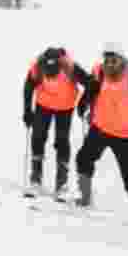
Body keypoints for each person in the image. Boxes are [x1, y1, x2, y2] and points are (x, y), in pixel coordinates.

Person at [73, 43, 128, 216]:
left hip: (126, 134)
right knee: (83, 159)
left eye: (113, 60)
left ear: (121, 60)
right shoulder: (99, 72)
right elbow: (92, 89)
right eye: (106, 60)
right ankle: (85, 198)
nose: (109, 64)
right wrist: (83, 103)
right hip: (100, 128)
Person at [23, 47, 91, 197]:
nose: (50, 75)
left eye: (53, 72)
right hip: (43, 104)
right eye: (48, 73)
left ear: (59, 65)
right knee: (38, 137)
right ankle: (35, 179)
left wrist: (83, 103)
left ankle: (62, 184)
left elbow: (90, 83)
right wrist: (27, 110)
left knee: (61, 140)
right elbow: (28, 86)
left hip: (65, 106)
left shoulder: (70, 67)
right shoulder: (38, 66)